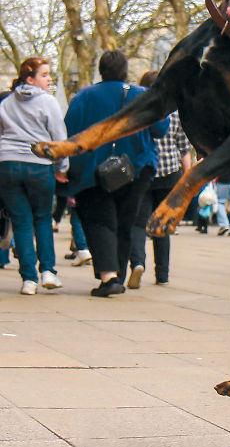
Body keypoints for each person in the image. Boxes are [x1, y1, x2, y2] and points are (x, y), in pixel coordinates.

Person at [64, 50, 168, 297]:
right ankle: (118, 274)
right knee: (125, 221)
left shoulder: (83, 97)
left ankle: (108, 275)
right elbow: (160, 129)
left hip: (93, 169)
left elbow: (69, 132)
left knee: (100, 220)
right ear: (125, 69)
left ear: (101, 69)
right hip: (136, 167)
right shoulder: (143, 95)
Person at [0, 57, 68, 295]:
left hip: (7, 164)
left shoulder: (6, 102)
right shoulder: (48, 102)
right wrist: (62, 167)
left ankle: (28, 278)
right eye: (45, 75)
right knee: (42, 218)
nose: (50, 79)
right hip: (38, 164)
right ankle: (48, 271)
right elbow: (58, 138)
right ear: (30, 79)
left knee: (21, 221)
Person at [128, 71, 192, 288]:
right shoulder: (174, 111)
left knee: (138, 222)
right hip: (170, 172)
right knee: (162, 225)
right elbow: (184, 148)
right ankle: (162, 274)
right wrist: (187, 179)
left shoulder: (138, 109)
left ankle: (137, 263)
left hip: (143, 170)